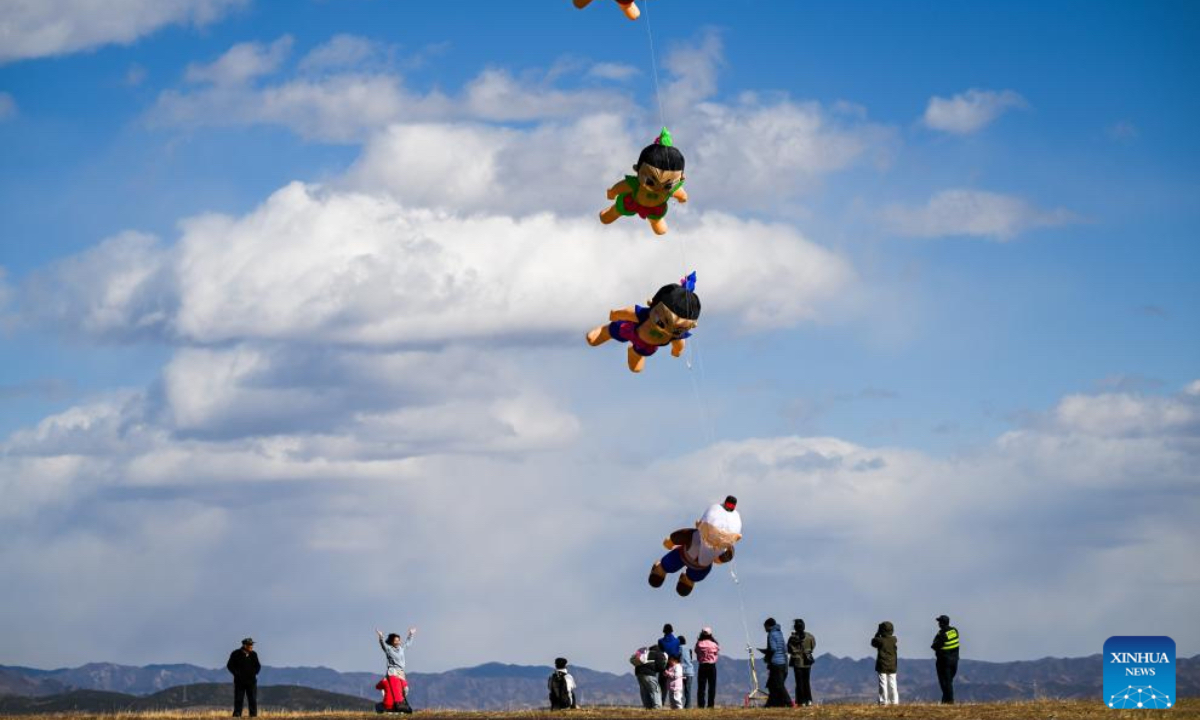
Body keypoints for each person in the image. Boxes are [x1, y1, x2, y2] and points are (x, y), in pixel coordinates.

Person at [376, 627, 416, 712]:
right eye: (395, 641)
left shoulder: (401, 649)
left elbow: (408, 644)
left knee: (405, 689)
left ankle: (399, 704)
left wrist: (411, 634)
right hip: (393, 672)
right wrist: (381, 637)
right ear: (391, 642)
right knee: (389, 688)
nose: (398, 642)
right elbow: (383, 645)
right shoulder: (389, 649)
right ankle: (388, 705)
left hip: (401, 672)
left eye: (399, 640)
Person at [759, 618, 792, 708]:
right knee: (772, 685)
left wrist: (766, 653)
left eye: (765, 627)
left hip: (776, 662)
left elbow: (773, 649)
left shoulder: (771, 634)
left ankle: (788, 702)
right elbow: (784, 648)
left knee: (778, 685)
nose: (764, 629)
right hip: (783, 662)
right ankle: (773, 704)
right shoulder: (779, 633)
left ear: (768, 626)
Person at [226, 637, 260, 718]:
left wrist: (255, 673)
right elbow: (229, 665)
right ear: (245, 645)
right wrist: (236, 674)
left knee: (252, 699)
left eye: (252, 644)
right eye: (250, 645)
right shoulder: (235, 654)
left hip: (251, 682)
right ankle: (237, 715)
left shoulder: (254, 654)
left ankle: (253, 715)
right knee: (238, 699)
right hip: (239, 681)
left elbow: (258, 666)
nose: (252, 646)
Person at [931, 615, 960, 704]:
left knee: (945, 682)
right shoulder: (954, 631)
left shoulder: (942, 634)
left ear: (942, 623)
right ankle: (945, 701)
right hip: (954, 661)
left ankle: (949, 701)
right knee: (948, 682)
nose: (938, 624)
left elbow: (934, 646)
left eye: (939, 622)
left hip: (944, 661)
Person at [787, 619, 816, 706]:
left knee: (799, 682)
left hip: (797, 662)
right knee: (806, 681)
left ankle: (801, 701)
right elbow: (813, 646)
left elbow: (789, 649)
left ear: (795, 627)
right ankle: (809, 700)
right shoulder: (810, 636)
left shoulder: (792, 638)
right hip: (807, 661)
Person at [871, 621, 899, 705]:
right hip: (892, 665)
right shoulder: (894, 639)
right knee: (892, 684)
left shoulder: (880, 640)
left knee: (883, 684)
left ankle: (883, 702)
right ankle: (894, 702)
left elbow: (873, 642)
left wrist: (877, 633)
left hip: (882, 665)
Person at [632, 643, 667, 709]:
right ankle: (657, 707)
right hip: (649, 674)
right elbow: (660, 667)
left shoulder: (646, 654)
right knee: (655, 690)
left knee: (645, 691)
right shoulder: (659, 654)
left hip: (639, 673)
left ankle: (648, 707)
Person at [695, 628, 720, 709]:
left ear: (702, 633)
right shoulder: (714, 644)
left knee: (701, 687)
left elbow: (697, 652)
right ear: (710, 634)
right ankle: (710, 705)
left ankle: (701, 705)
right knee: (712, 686)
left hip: (702, 665)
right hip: (712, 666)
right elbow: (717, 653)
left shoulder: (699, 644)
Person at [679, 636, 696, 709]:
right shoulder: (689, 649)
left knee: (678, 690)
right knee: (688, 690)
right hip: (689, 671)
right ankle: (688, 706)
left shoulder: (678, 649)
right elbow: (690, 659)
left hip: (680, 671)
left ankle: (678, 705)